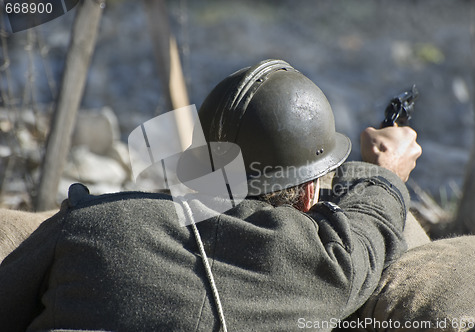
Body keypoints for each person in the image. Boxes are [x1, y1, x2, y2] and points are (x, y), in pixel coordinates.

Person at [0, 59, 421, 331]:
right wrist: (383, 170)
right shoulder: (320, 264)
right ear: (310, 192)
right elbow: (371, 226)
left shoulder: (86, 223)